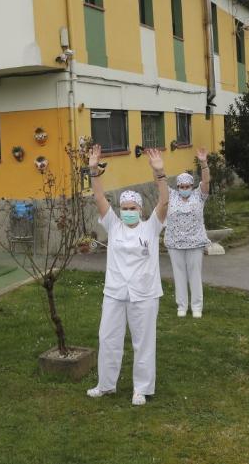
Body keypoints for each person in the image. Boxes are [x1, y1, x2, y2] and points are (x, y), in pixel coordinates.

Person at [85, 145, 168, 406]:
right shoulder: (114, 225)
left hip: (144, 295)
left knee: (143, 343)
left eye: (132, 207)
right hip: (115, 292)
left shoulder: (151, 227)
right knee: (107, 338)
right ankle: (106, 384)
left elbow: (164, 202)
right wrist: (93, 170)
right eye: (124, 207)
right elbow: (99, 198)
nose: (128, 210)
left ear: (141, 209)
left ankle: (141, 389)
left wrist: (160, 173)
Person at [163, 149, 210, 318]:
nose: (184, 189)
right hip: (175, 243)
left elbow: (206, 182)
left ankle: (197, 306)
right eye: (181, 186)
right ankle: (181, 306)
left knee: (195, 274)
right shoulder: (172, 196)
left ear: (192, 186)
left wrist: (203, 164)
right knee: (179, 274)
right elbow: (159, 184)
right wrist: (157, 169)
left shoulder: (199, 195)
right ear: (177, 187)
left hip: (195, 242)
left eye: (187, 186)